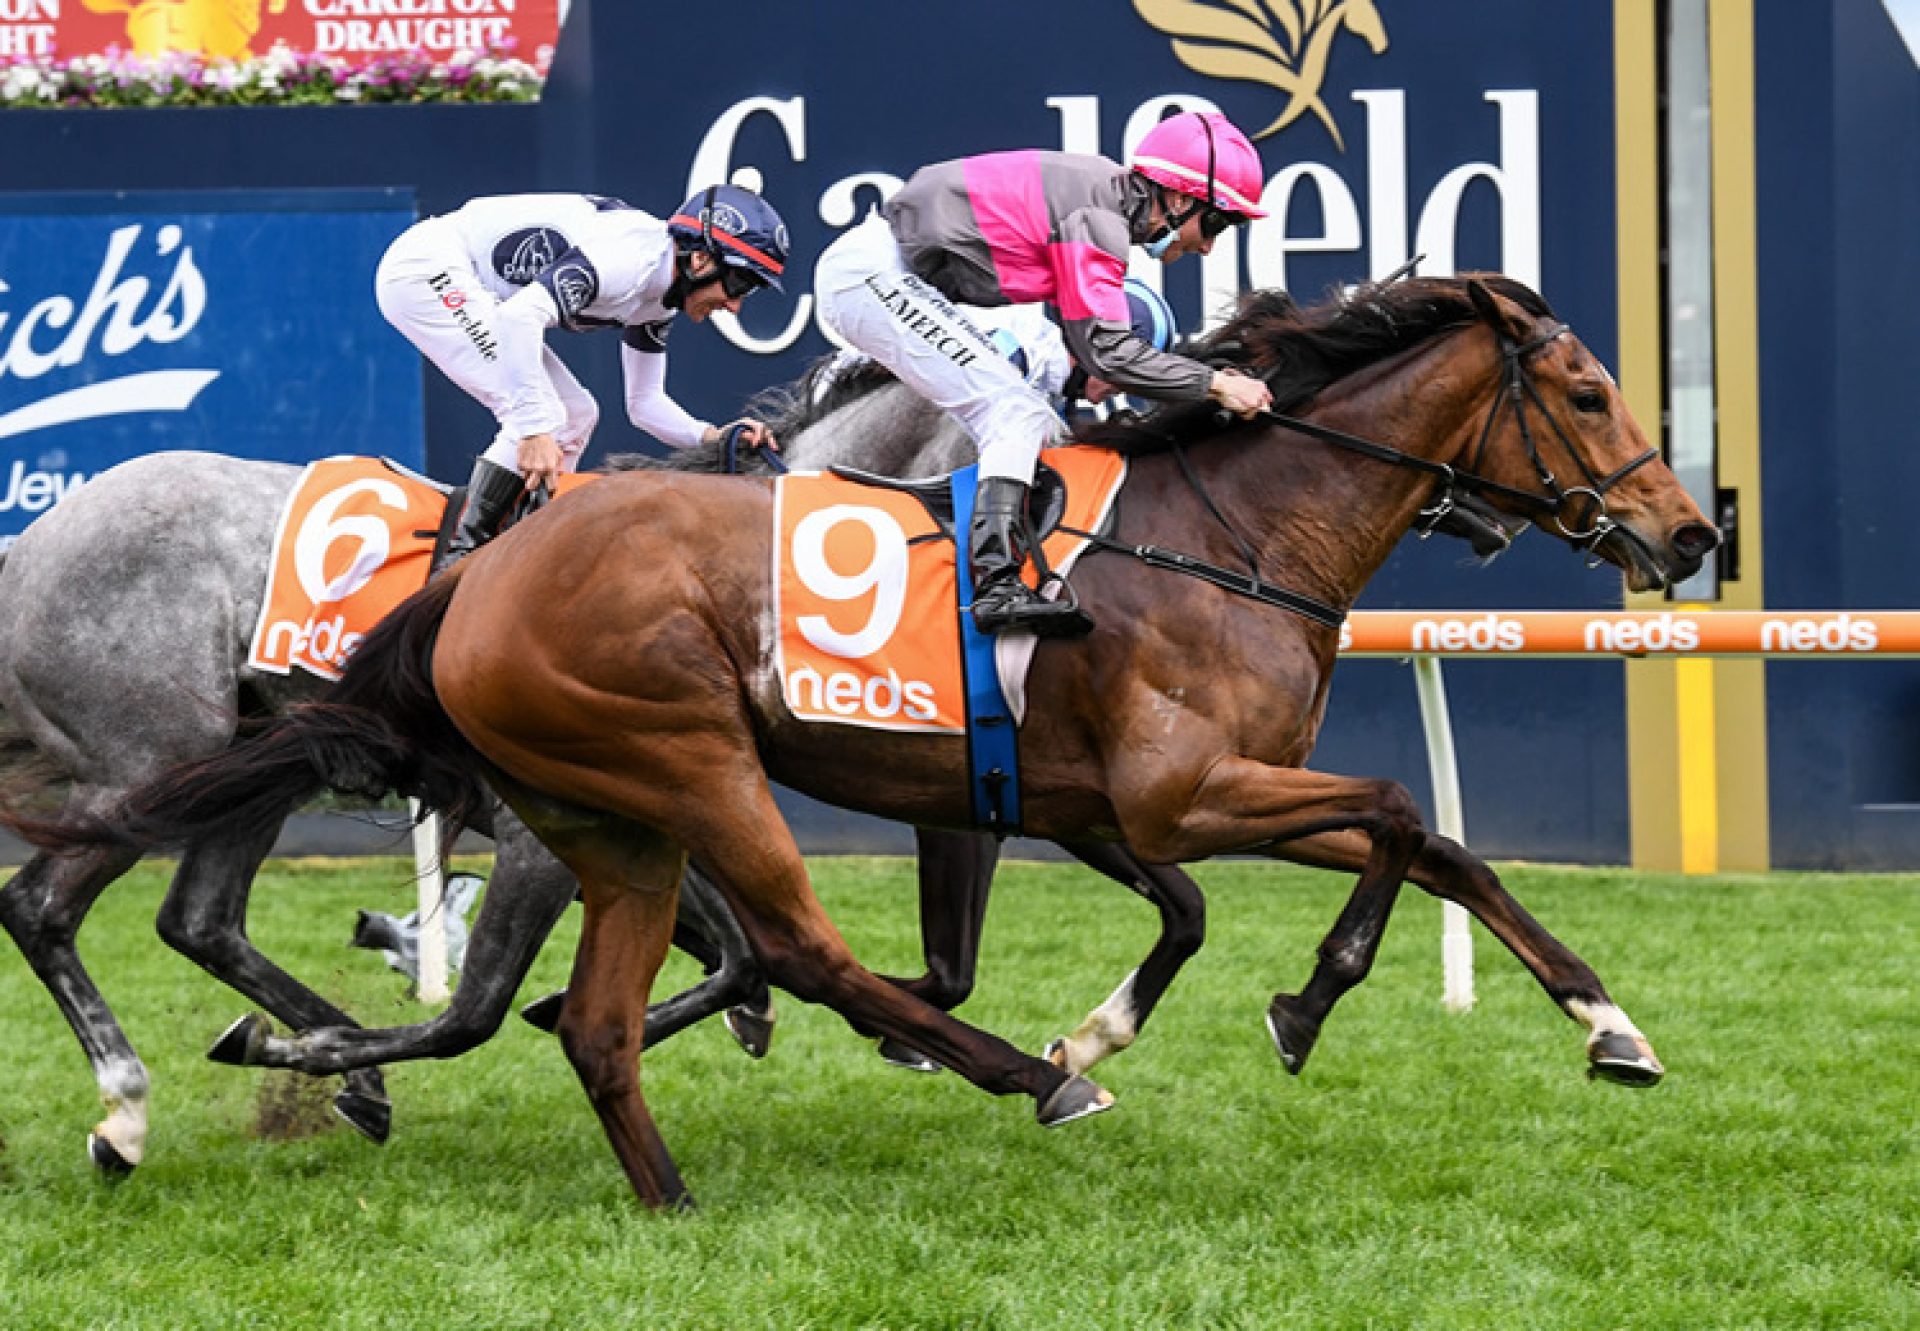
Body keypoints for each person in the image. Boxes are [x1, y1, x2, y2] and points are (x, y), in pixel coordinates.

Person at [814, 110, 1274, 637]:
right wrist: (1217, 386)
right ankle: (996, 584)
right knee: (1014, 413)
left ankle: (987, 565)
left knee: (1023, 412)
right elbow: (1109, 353)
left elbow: (1089, 355)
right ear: (1176, 197)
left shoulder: (1101, 200)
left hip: (888, 271)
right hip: (875, 275)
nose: (1209, 246)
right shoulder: (1099, 219)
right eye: (1215, 224)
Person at [374, 184, 790, 570]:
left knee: (577, 414)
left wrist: (712, 437)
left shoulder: (660, 298)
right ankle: (460, 566)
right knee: (542, 416)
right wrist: (533, 430)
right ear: (701, 260)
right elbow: (519, 317)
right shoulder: (629, 262)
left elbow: (644, 404)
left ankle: (523, 542)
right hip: (427, 270)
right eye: (740, 283)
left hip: (471, 282)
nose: (735, 305)